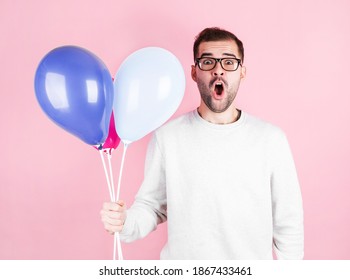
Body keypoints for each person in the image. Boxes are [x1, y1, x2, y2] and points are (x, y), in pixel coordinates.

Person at [100, 27, 304, 260]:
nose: (218, 70)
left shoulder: (271, 139)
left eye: (229, 62)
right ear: (195, 72)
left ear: (242, 73)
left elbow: (288, 223)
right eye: (208, 62)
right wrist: (125, 222)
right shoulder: (168, 137)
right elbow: (152, 206)